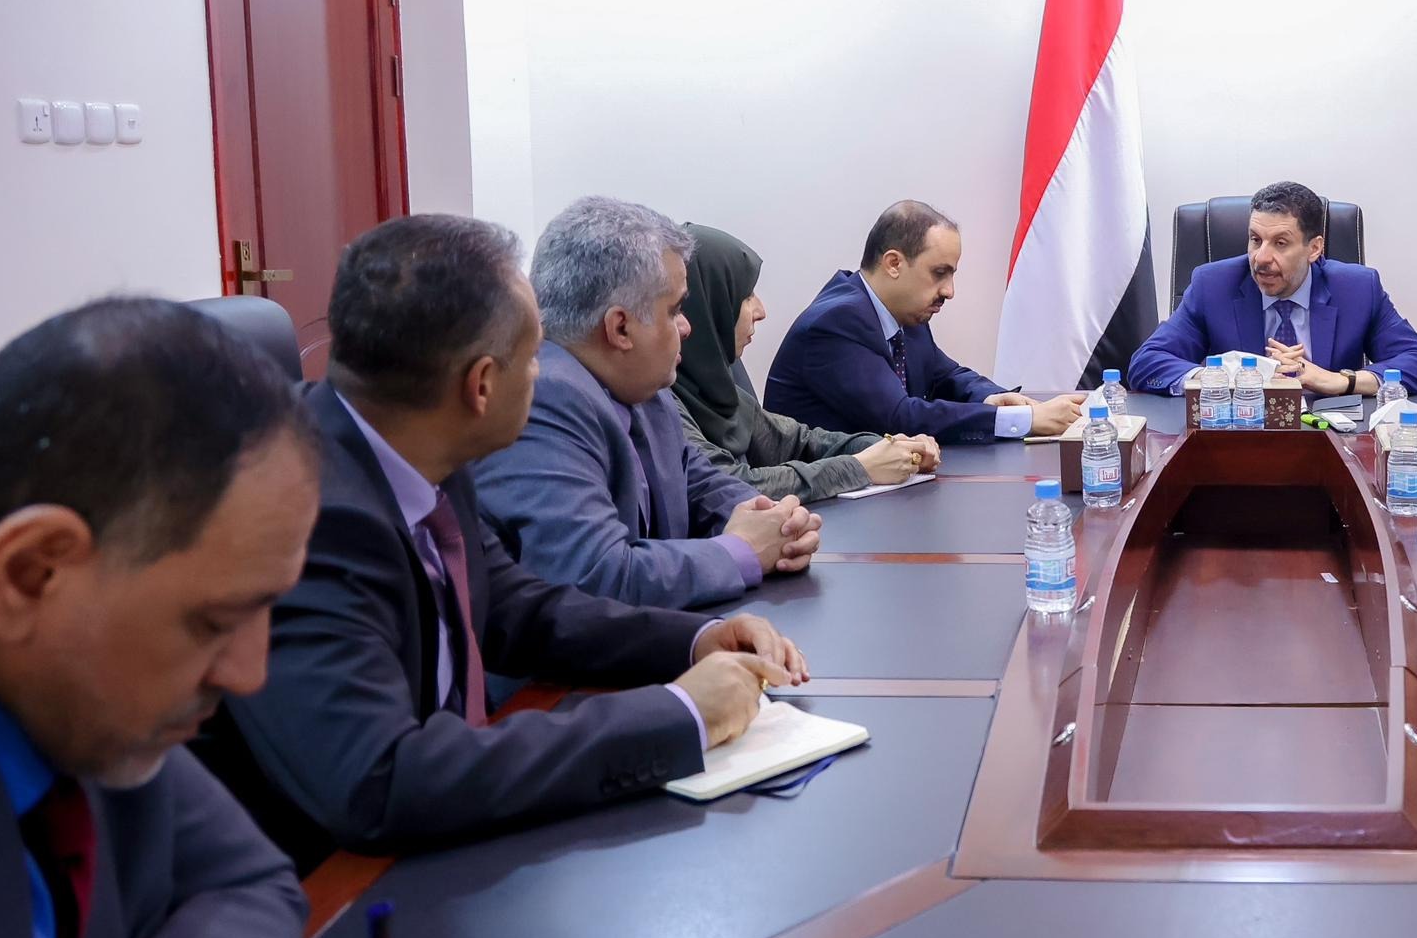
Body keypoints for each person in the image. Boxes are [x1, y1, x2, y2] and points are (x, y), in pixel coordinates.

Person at [0, 299, 443, 938]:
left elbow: (248, 885)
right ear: (30, 573)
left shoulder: (81, 699)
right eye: (213, 620)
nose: (251, 671)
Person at [198, 217, 809, 871]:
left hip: (448, 835)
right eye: (537, 355)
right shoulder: (309, 517)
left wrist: (689, 640)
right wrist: (678, 715)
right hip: (339, 893)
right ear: (482, 385)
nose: (549, 373)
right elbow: (383, 779)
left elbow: (515, 606)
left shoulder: (421, 447)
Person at [475, 198, 821, 610]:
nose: (687, 326)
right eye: (674, 309)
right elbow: (596, 575)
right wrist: (742, 551)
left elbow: (698, 482)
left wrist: (770, 521)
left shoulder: (643, 388)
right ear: (620, 327)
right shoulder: (545, 401)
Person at [766, 201, 1087, 446]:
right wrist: (1024, 420)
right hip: (822, 510)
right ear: (894, 263)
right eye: (939, 273)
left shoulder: (903, 312)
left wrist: (992, 398)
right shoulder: (836, 323)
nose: (948, 291)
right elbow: (900, 418)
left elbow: (946, 375)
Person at [672, 223, 938, 500]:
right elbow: (729, 487)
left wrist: (891, 449)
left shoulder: (715, 384)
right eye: (744, 296)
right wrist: (860, 468)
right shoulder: (661, 398)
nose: (760, 310)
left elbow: (798, 442)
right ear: (707, 308)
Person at [1127, 180, 1417, 399]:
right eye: (1255, 239)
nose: (1261, 258)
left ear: (1314, 248)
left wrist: (1339, 380)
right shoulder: (1213, 285)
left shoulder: (1358, 289)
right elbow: (1147, 363)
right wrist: (1229, 378)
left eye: (1280, 243)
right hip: (1235, 445)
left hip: (1331, 446)